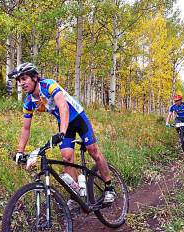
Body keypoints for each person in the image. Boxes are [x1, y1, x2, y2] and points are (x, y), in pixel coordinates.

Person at [7, 62, 115, 204]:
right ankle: (76, 194)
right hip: (64, 123)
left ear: (34, 77)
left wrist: (61, 133)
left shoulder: (49, 85)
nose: (21, 83)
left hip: (77, 117)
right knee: (66, 157)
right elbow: (25, 128)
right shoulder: (29, 102)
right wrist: (20, 151)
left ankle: (109, 187)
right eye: (19, 80)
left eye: (24, 78)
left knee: (93, 150)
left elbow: (63, 107)